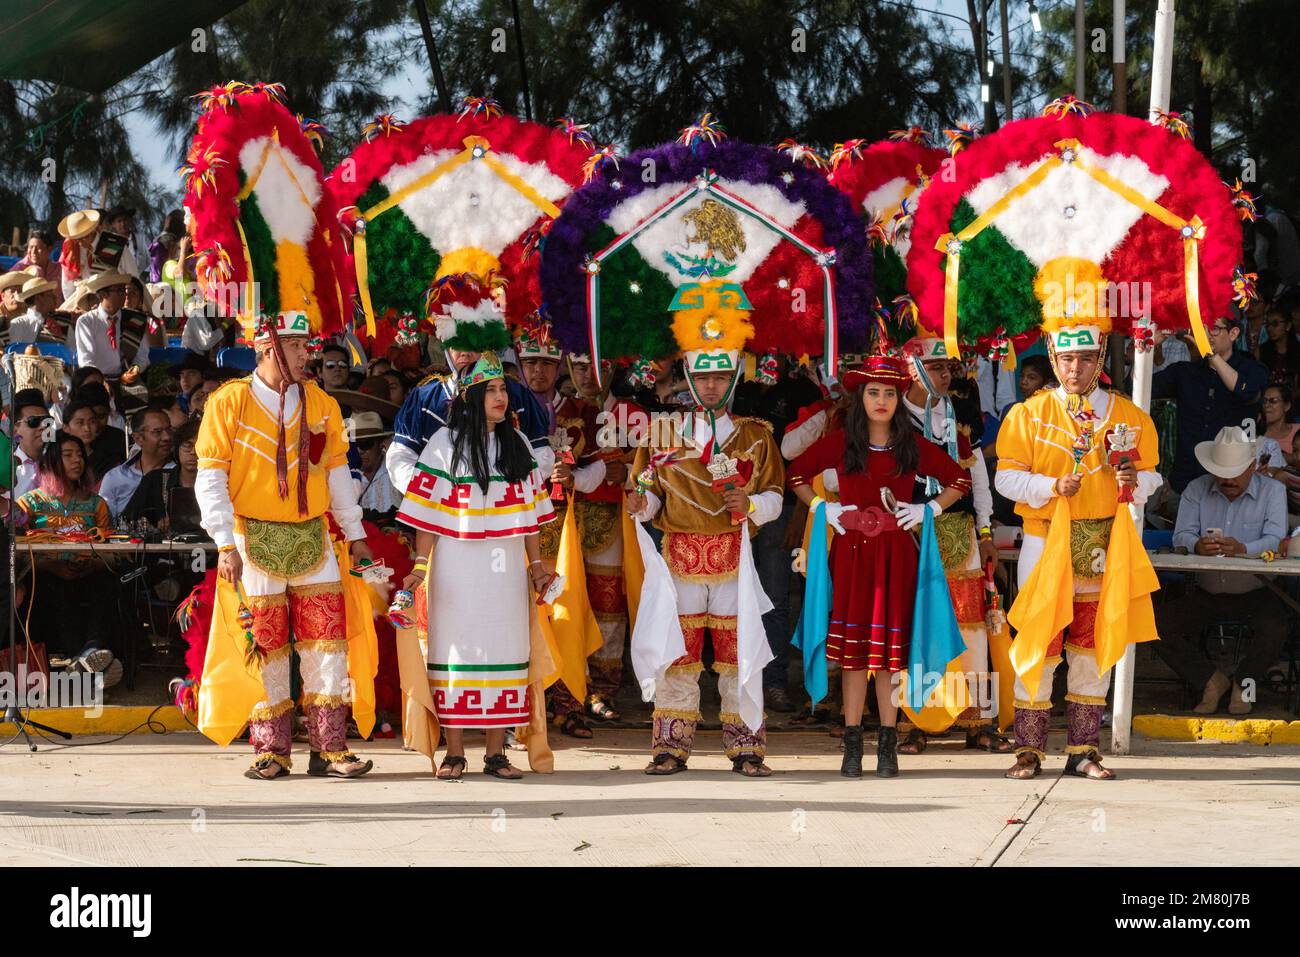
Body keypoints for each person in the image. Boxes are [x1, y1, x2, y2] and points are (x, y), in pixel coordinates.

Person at [194, 311, 374, 780]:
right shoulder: (228, 402)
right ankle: (271, 750)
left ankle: (330, 748)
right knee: (266, 647)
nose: (306, 354)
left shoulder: (319, 403)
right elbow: (210, 478)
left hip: (312, 534)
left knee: (327, 645)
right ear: (269, 347)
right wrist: (223, 542)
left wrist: (355, 535)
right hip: (252, 539)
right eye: (296, 346)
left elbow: (336, 475)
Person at [996, 304, 1162, 781]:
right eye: (1067, 359)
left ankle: (1084, 749)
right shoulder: (1030, 414)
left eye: (1086, 359)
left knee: (1091, 645)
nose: (1076, 368)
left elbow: (1153, 476)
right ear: (1053, 357)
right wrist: (1051, 488)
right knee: (1040, 643)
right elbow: (1006, 478)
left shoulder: (1127, 415)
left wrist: (1134, 479)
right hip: (1045, 541)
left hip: (1101, 543)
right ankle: (1028, 749)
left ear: (1101, 357)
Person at [789, 351, 973, 776]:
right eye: (873, 392)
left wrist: (929, 511)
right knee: (854, 658)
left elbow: (959, 480)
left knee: (891, 657)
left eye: (889, 393)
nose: (881, 400)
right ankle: (852, 747)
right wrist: (823, 508)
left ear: (897, 397)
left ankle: (887, 747)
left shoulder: (912, 446)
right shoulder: (842, 442)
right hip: (852, 554)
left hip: (897, 556)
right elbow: (796, 474)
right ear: (861, 397)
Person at [627, 332, 785, 779]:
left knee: (741, 655)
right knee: (677, 655)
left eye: (720, 375)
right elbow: (649, 493)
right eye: (703, 376)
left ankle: (747, 746)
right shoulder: (661, 435)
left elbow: (775, 494)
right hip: (680, 556)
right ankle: (669, 747)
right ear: (688, 379)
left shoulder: (755, 436)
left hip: (734, 557)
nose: (711, 385)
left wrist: (750, 506)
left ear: (734, 377)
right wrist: (643, 505)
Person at [395, 352, 555, 780]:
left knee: (505, 650)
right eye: (492, 390)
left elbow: (531, 518)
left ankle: (496, 753)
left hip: (503, 571)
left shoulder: (518, 444)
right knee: (454, 652)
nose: (501, 397)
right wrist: (420, 566)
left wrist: (537, 566)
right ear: (471, 397)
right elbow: (427, 516)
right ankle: (454, 752)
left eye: (504, 388)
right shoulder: (444, 445)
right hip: (456, 566)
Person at [896, 331, 1010, 753]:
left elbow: (978, 478)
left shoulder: (960, 414)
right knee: (916, 626)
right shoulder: (890, 417)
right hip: (909, 535)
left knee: (972, 630)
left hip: (960, 533)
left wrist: (985, 533)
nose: (945, 376)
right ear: (912, 369)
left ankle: (978, 721)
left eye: (948, 368)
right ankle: (916, 723)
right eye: (936, 368)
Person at [515, 322, 610, 738]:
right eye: (530, 362)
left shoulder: (584, 413)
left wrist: (576, 477)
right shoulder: (504, 408)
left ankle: (570, 703)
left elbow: (608, 463)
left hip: (566, 526)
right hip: (518, 528)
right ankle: (524, 708)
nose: (538, 372)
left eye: (546, 364)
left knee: (566, 613)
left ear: (561, 368)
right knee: (522, 617)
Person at [1155, 427, 1288, 716]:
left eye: (1235, 471)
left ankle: (1244, 684)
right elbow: (1181, 536)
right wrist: (1195, 544)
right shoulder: (1196, 489)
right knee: (1154, 626)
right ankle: (1211, 681)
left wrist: (1242, 548)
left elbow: (1276, 540)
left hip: (1257, 591)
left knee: (1278, 627)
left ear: (1252, 467)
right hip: (1208, 591)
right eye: (1221, 471)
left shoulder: (1273, 491)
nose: (1226, 479)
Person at [385, 274, 553, 499]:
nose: (464, 352)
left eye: (472, 344)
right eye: (456, 344)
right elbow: (400, 456)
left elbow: (541, 454)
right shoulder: (425, 398)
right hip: (439, 515)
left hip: (503, 514)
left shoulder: (516, 395)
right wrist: (432, 496)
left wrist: (505, 495)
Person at [732, 355, 823, 712]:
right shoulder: (735, 389)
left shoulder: (804, 391)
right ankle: (736, 680)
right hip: (730, 507)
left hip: (782, 506)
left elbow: (807, 450)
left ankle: (774, 682)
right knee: (731, 598)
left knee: (774, 597)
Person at [15, 432, 118, 674]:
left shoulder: (96, 504)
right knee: (56, 588)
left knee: (106, 581)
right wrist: (50, 566)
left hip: (88, 572)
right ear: (51, 460)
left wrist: (94, 564)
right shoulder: (29, 503)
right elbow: (17, 555)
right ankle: (84, 659)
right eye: (68, 455)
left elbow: (112, 548)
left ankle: (90, 651)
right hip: (45, 576)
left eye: (80, 455)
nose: (77, 461)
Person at [1151, 316, 1268, 493]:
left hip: (1231, 482)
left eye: (1213, 328)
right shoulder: (1185, 371)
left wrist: (1211, 355)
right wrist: (1147, 347)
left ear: (1233, 333)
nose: (1205, 334)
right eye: (1201, 328)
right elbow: (1136, 389)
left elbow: (1246, 391)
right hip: (1186, 480)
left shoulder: (1252, 368)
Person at [122, 419, 204, 535]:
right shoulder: (155, 479)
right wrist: (151, 526)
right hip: (165, 551)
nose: (193, 452)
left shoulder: (222, 482)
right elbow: (128, 519)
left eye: (201, 446)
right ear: (177, 448)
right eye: (187, 445)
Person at [98, 407, 175, 520]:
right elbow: (105, 522)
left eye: (169, 430)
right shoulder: (115, 477)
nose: (167, 437)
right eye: (157, 432)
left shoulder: (179, 472)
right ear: (138, 438)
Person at [74, 271, 151, 377]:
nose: (124, 295)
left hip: (128, 377)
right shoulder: (86, 322)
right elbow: (86, 361)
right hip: (97, 380)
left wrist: (135, 370)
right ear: (103, 295)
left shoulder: (136, 319)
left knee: (141, 393)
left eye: (123, 290)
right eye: (119, 291)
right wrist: (101, 381)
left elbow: (142, 356)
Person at [348, 411, 400, 521]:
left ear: (380, 443)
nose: (359, 451)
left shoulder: (397, 469)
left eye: (365, 444)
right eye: (353, 445)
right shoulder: (345, 474)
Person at [12, 389, 51, 498]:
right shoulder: (6, 469)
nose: (43, 426)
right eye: (33, 421)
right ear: (15, 430)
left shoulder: (62, 463)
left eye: (47, 421)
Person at [1257, 304, 1300, 393]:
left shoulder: (1297, 351)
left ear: (1288, 326)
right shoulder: (1261, 351)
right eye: (1267, 324)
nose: (1270, 328)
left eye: (1275, 324)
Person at [10, 276, 60, 345]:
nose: (55, 297)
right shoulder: (18, 324)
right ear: (39, 298)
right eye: (50, 295)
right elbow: (15, 352)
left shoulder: (62, 321)